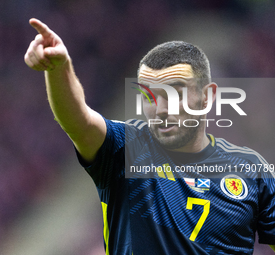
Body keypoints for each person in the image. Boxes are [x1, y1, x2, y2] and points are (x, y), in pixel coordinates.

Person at [24, 18, 275, 255]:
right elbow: (79, 120)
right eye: (149, 96)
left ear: (207, 96)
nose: (161, 108)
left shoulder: (251, 170)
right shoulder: (128, 148)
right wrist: (59, 69)